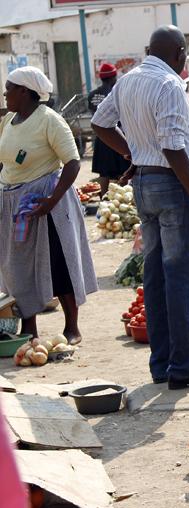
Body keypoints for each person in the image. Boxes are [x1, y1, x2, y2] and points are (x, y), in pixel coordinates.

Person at [92, 25, 189, 390]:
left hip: (145, 183)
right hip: (173, 185)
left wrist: (134, 154)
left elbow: (100, 123)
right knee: (181, 277)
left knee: (156, 276)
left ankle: (162, 364)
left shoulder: (128, 80)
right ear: (180, 54)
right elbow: (173, 147)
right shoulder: (170, 84)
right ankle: (182, 369)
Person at [0, 66, 97, 343]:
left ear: (24, 91)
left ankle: (72, 327)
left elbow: (73, 163)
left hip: (44, 202)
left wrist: (52, 200)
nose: (5, 94)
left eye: (9, 89)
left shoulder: (50, 121)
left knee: (57, 261)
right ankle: (29, 328)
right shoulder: (9, 120)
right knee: (17, 267)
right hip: (13, 202)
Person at [88, 63, 130, 197]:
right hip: (116, 135)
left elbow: (94, 115)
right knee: (123, 169)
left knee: (104, 171)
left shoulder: (92, 95)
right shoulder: (115, 94)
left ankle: (104, 197)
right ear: (113, 77)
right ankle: (124, 196)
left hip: (100, 136)